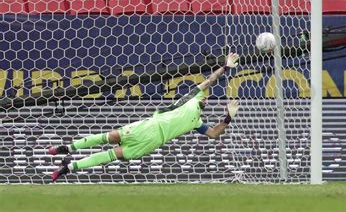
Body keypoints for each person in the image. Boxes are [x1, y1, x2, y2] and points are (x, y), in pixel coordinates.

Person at [49, 52, 241, 182]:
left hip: (153, 141)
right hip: (148, 126)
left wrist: (227, 118)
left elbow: (215, 134)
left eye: (207, 99)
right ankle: (67, 148)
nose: (206, 98)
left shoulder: (196, 122)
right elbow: (210, 80)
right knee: (110, 137)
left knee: (111, 155)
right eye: (205, 95)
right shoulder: (190, 97)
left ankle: (68, 168)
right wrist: (225, 67)